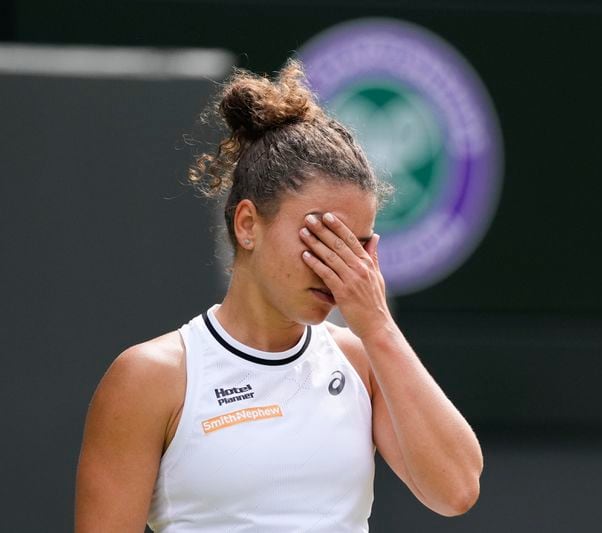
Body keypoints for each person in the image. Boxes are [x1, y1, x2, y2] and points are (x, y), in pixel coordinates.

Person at [75, 58, 483, 532]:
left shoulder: (360, 360)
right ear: (248, 225)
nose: (337, 266)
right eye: (319, 237)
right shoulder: (152, 377)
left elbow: (457, 491)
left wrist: (376, 324)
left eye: (357, 244)